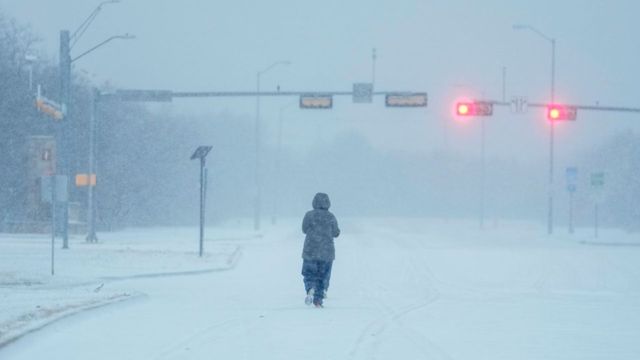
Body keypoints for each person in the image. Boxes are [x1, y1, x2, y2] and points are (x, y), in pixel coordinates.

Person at [301, 192, 340, 307]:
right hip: (326, 252)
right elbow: (335, 233)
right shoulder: (331, 217)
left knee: (309, 273)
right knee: (323, 275)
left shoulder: (309, 215)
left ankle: (310, 288)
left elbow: (304, 229)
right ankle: (319, 298)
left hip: (310, 251)